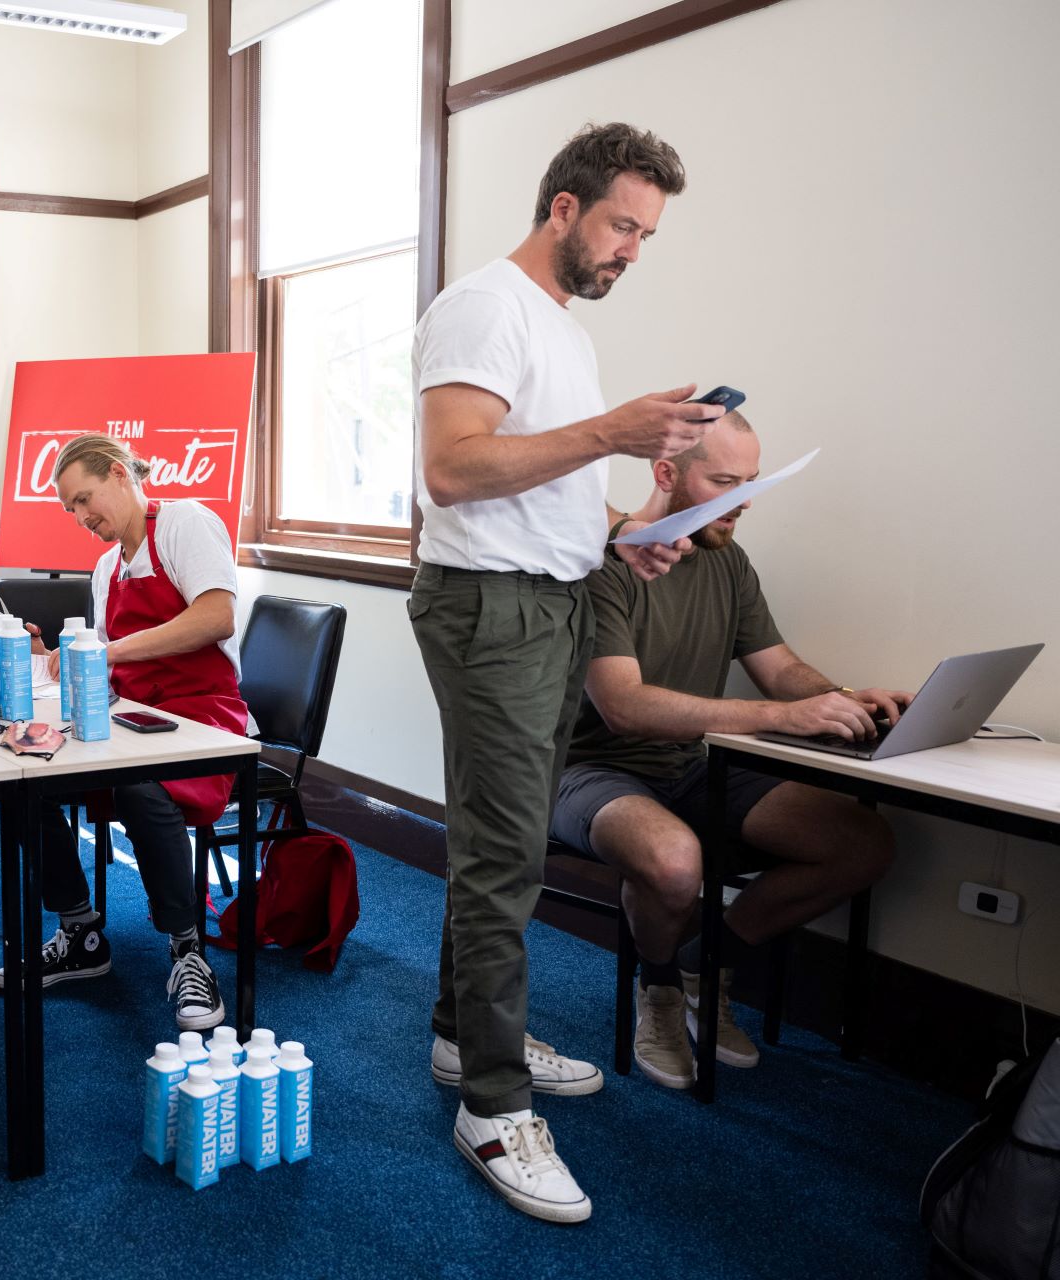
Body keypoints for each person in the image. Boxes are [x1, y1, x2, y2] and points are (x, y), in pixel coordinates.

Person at [410, 122, 727, 1224]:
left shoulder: (558, 329)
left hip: (548, 596)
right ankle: (492, 1107)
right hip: (490, 610)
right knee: (501, 856)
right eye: (622, 224)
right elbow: (453, 470)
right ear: (563, 208)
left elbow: (532, 482)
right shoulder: (484, 306)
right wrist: (609, 433)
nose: (632, 248)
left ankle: (463, 1036)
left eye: (647, 232)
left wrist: (614, 535)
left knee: (508, 845)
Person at [552, 411, 900, 1089]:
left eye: (753, 482)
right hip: (585, 772)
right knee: (675, 862)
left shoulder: (728, 562)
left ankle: (704, 965)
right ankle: (658, 994)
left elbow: (780, 669)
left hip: (690, 767)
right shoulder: (603, 564)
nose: (745, 500)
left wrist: (843, 700)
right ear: (666, 474)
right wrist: (782, 716)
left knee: (864, 844)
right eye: (725, 480)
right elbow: (623, 707)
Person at [0, 434, 248, 1032]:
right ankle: (80, 932)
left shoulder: (186, 522)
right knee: (32, 779)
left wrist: (107, 651)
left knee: (142, 789)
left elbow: (216, 616)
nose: (82, 518)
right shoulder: (108, 568)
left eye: (85, 499)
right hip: (135, 713)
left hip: (204, 715)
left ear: (118, 472)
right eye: (70, 510)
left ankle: (188, 950)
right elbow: (115, 668)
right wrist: (66, 672)